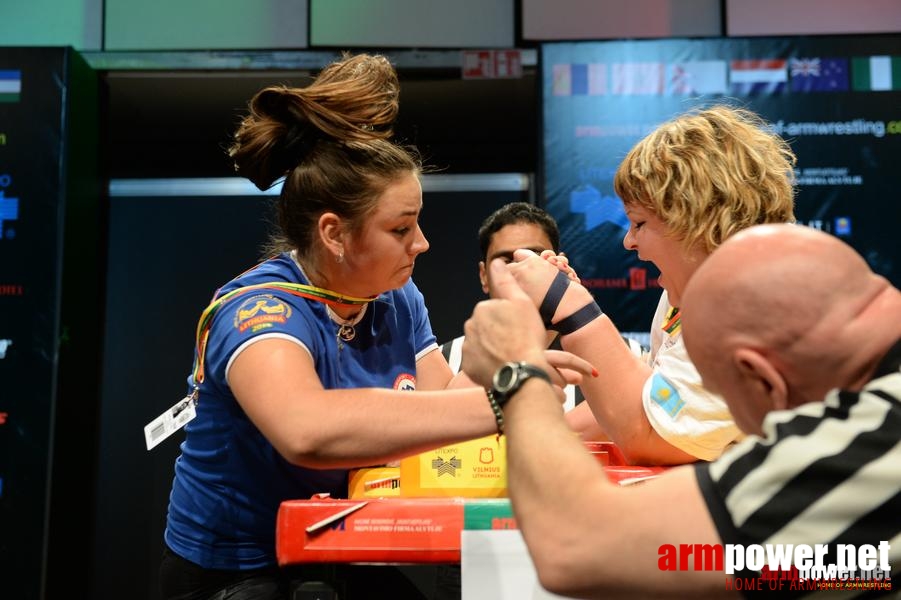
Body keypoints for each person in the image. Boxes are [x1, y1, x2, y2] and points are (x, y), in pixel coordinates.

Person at [158, 53, 565, 600]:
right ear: (334, 233)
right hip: (234, 573)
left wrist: (527, 323)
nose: (421, 243)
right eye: (401, 228)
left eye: (417, 223)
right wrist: (507, 400)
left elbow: (433, 411)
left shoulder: (398, 296)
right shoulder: (259, 310)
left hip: (330, 549)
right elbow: (307, 431)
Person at [461, 223, 901, 597]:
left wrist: (517, 370)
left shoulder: (863, 445)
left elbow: (573, 545)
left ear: (764, 380)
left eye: (716, 392)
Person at [507, 105, 797, 462]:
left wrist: (569, 306)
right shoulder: (691, 295)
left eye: (639, 223)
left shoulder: (754, 307)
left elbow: (647, 434)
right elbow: (656, 399)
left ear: (695, 221)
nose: (629, 242)